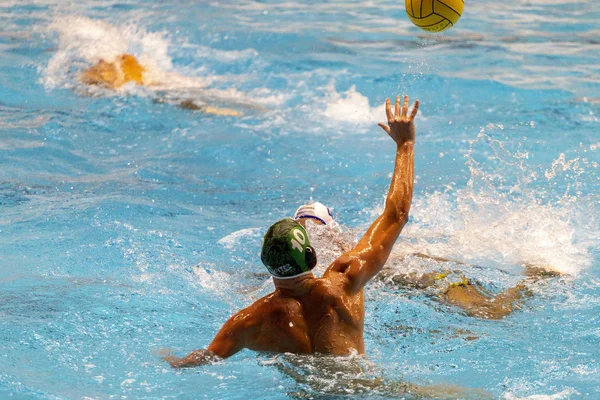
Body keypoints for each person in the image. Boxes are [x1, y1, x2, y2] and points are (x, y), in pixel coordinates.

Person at [163, 95, 419, 367]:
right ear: (312, 257)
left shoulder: (250, 320)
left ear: (266, 263)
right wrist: (405, 145)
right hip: (358, 386)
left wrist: (170, 360)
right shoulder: (345, 281)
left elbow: (204, 358)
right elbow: (396, 215)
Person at [292, 201, 558, 320]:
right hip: (423, 283)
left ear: (331, 229)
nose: (313, 236)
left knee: (492, 313)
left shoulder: (351, 255)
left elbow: (397, 215)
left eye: (316, 229)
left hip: (439, 279)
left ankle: (535, 277)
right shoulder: (328, 260)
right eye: (304, 230)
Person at [79, 53, 242, 116]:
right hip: (173, 83)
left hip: (157, 88)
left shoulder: (114, 77)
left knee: (177, 100)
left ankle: (214, 109)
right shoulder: (129, 62)